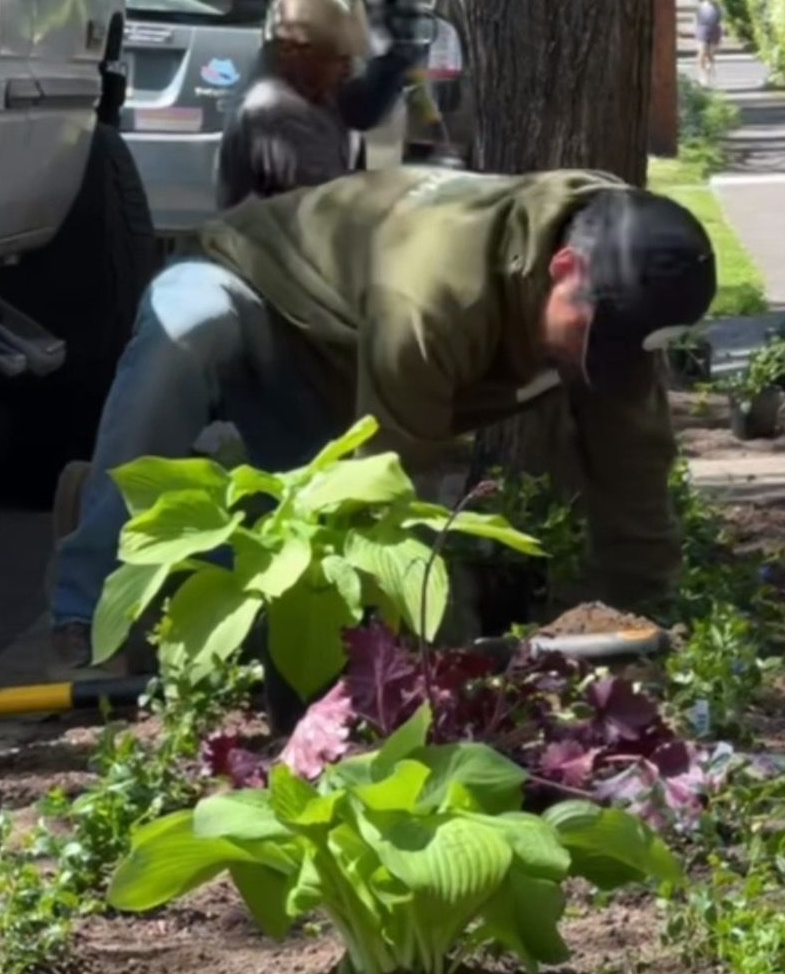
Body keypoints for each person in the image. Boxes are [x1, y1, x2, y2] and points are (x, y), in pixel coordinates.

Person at [49, 167, 718, 666]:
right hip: (257, 294)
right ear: (564, 268)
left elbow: (634, 481)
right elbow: (394, 501)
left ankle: (111, 502)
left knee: (284, 592)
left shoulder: (615, 298)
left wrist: (638, 629)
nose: (604, 361)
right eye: (596, 338)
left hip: (342, 390)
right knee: (188, 329)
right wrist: (447, 663)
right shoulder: (436, 294)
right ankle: (83, 611)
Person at [216, 0, 420, 207]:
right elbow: (324, 207)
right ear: (297, 51)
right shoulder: (279, 112)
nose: (348, 69)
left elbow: (359, 111)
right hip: (278, 239)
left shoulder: (308, 81)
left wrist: (391, 65)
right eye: (340, 57)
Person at [694, 0, 723, 85]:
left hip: (714, 30)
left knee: (710, 54)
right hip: (702, 29)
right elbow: (696, 19)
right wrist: (695, 30)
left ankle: (708, 76)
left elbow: (721, 19)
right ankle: (702, 75)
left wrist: (720, 35)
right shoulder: (700, 6)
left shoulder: (717, 7)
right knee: (702, 52)